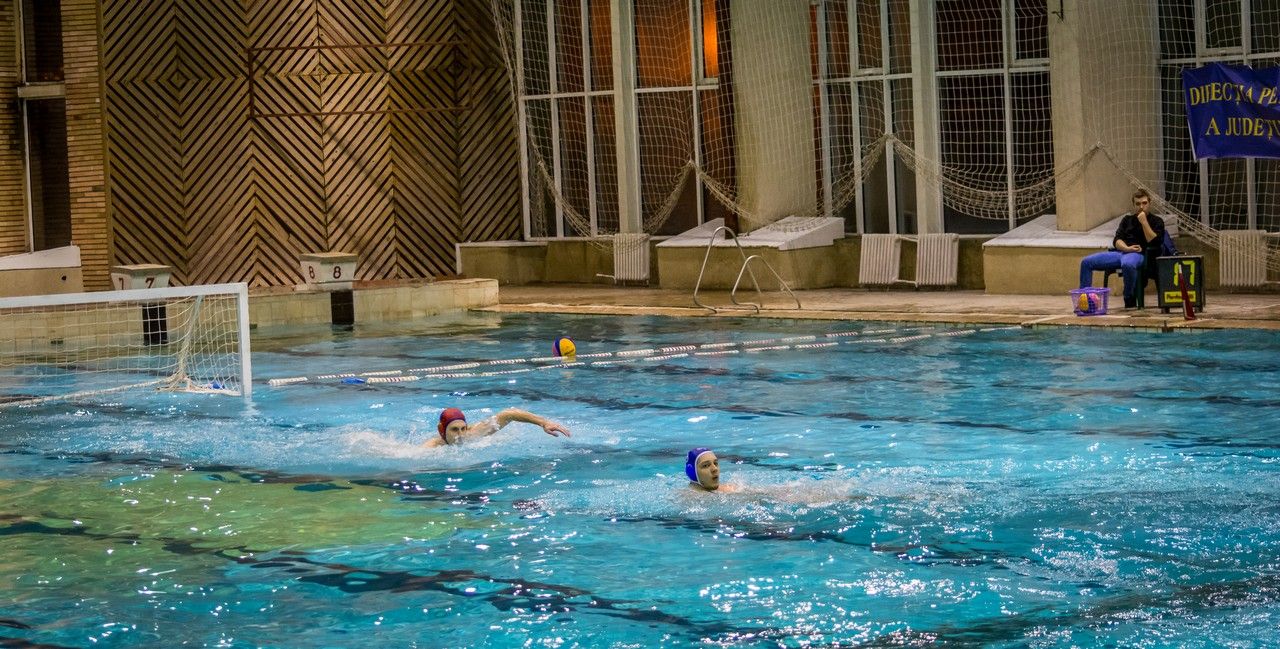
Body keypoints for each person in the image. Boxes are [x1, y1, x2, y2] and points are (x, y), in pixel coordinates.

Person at [1078, 189, 1167, 309]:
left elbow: (1155, 241)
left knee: (1127, 264)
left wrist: (1144, 222)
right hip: (1122, 251)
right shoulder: (1127, 220)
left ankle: (1129, 297)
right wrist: (1126, 248)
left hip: (1139, 254)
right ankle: (1084, 301)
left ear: (1149, 203)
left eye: (1144, 203)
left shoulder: (1157, 221)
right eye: (1138, 204)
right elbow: (1117, 240)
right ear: (1133, 205)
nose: (1141, 207)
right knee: (1086, 262)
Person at [423, 407, 570, 447]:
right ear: (442, 430)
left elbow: (508, 414)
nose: (461, 435)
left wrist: (543, 423)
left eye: (463, 428)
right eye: (454, 430)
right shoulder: (431, 447)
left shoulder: (473, 433)